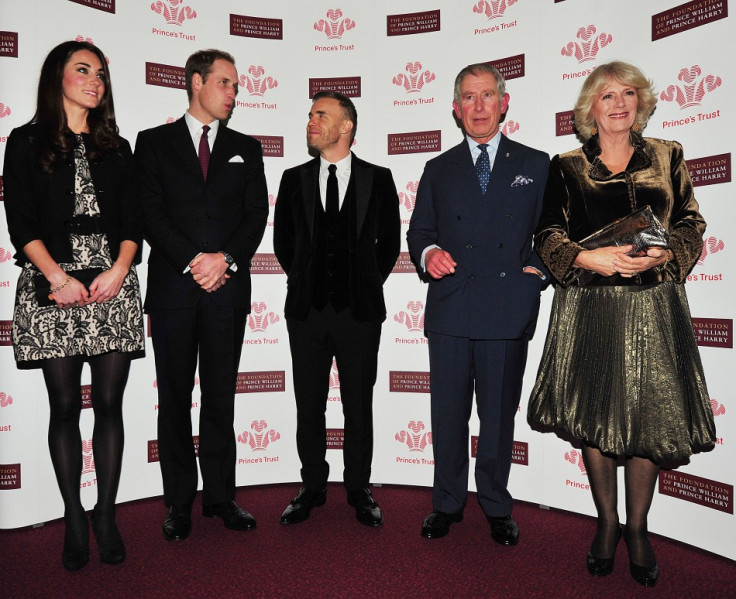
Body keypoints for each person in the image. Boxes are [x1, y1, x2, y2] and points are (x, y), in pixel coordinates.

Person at [528, 61, 716, 587]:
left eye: (628, 93)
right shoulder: (566, 166)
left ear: (641, 102)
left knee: (648, 419)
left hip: (654, 308)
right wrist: (589, 260)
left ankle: (638, 528)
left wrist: (663, 257)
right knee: (595, 414)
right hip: (592, 309)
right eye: (607, 95)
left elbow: (691, 223)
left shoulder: (667, 156)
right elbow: (546, 233)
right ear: (591, 108)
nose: (619, 103)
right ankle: (606, 523)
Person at [3, 40, 144, 570]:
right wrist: (57, 278)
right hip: (52, 286)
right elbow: (20, 223)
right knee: (64, 407)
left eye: (102, 74)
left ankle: (105, 513)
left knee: (109, 406)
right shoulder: (25, 141)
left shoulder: (118, 148)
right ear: (56, 78)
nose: (95, 80)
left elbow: (134, 221)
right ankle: (73, 517)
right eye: (83, 70)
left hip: (112, 285)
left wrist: (120, 269)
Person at [407, 64, 550, 544]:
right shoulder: (438, 168)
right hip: (451, 308)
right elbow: (419, 232)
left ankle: (495, 502)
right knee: (447, 416)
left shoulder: (535, 164)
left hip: (508, 308)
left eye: (488, 96)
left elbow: (552, 234)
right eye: (469, 97)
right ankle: (446, 503)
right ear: (456, 107)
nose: (479, 106)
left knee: (497, 416)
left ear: (504, 102)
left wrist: (538, 273)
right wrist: (429, 254)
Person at [135, 49, 268, 541]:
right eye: (227, 83)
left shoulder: (246, 148)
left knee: (220, 397)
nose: (235, 93)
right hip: (174, 289)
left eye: (236, 85)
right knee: (173, 399)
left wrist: (225, 259)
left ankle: (221, 496)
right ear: (196, 83)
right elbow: (150, 212)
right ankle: (178, 503)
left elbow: (255, 216)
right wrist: (195, 260)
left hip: (226, 292)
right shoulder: (152, 143)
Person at [273, 91, 400, 527]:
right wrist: (309, 281)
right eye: (309, 114)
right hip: (306, 312)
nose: (311, 121)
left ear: (346, 126)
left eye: (321, 115)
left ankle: (358, 487)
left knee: (357, 404)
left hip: (359, 313)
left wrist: (361, 284)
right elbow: (284, 245)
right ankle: (311, 486)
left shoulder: (378, 178)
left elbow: (390, 246)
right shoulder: (293, 178)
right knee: (308, 404)